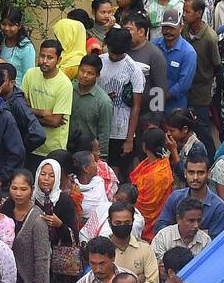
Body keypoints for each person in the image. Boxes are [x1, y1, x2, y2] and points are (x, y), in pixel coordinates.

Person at [99, 28, 146, 177]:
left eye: (117, 52)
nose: (113, 55)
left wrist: (129, 139)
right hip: (100, 127)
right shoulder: (100, 61)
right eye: (111, 50)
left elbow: (136, 106)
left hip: (120, 130)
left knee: (117, 171)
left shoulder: (133, 70)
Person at [153, 151, 224, 243]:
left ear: (208, 174)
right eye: (191, 172)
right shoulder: (175, 197)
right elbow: (160, 228)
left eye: (200, 173)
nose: (195, 177)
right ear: (185, 173)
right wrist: (185, 232)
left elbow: (215, 242)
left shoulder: (218, 206)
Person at [22, 40, 74, 164]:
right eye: (42, 56)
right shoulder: (30, 74)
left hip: (53, 149)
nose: (44, 61)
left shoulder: (64, 84)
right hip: (31, 143)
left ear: (59, 60)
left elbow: (55, 120)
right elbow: (20, 108)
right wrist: (43, 113)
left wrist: (29, 115)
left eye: (50, 57)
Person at [181, 0, 220, 151]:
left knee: (202, 128)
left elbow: (217, 65)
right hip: (185, 89)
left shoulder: (210, 38)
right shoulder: (183, 31)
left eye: (187, 11)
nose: (183, 14)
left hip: (201, 91)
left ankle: (211, 159)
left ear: (198, 13)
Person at [130, 128, 174, 243]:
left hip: (150, 228)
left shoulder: (155, 174)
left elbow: (143, 205)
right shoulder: (163, 163)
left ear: (144, 146)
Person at [155, 6, 197, 112]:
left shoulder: (188, 52)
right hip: (154, 101)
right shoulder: (154, 45)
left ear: (181, 27)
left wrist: (163, 98)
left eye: (172, 28)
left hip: (175, 106)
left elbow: (184, 84)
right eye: (165, 27)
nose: (168, 31)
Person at [122, 11, 169, 106]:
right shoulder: (121, 50)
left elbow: (159, 90)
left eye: (128, 30)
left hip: (145, 114)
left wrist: (155, 119)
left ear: (141, 32)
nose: (124, 33)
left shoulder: (155, 55)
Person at [70, 54, 113, 154]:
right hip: (67, 147)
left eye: (90, 73)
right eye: (82, 71)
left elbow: (104, 134)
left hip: (88, 153)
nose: (84, 76)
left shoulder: (103, 102)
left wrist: (101, 157)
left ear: (97, 75)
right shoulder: (69, 89)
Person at [0, 7, 37, 85]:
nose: (6, 28)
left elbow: (28, 77)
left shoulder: (26, 48)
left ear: (19, 26)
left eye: (11, 25)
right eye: (4, 24)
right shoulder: (0, 42)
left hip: (16, 93)